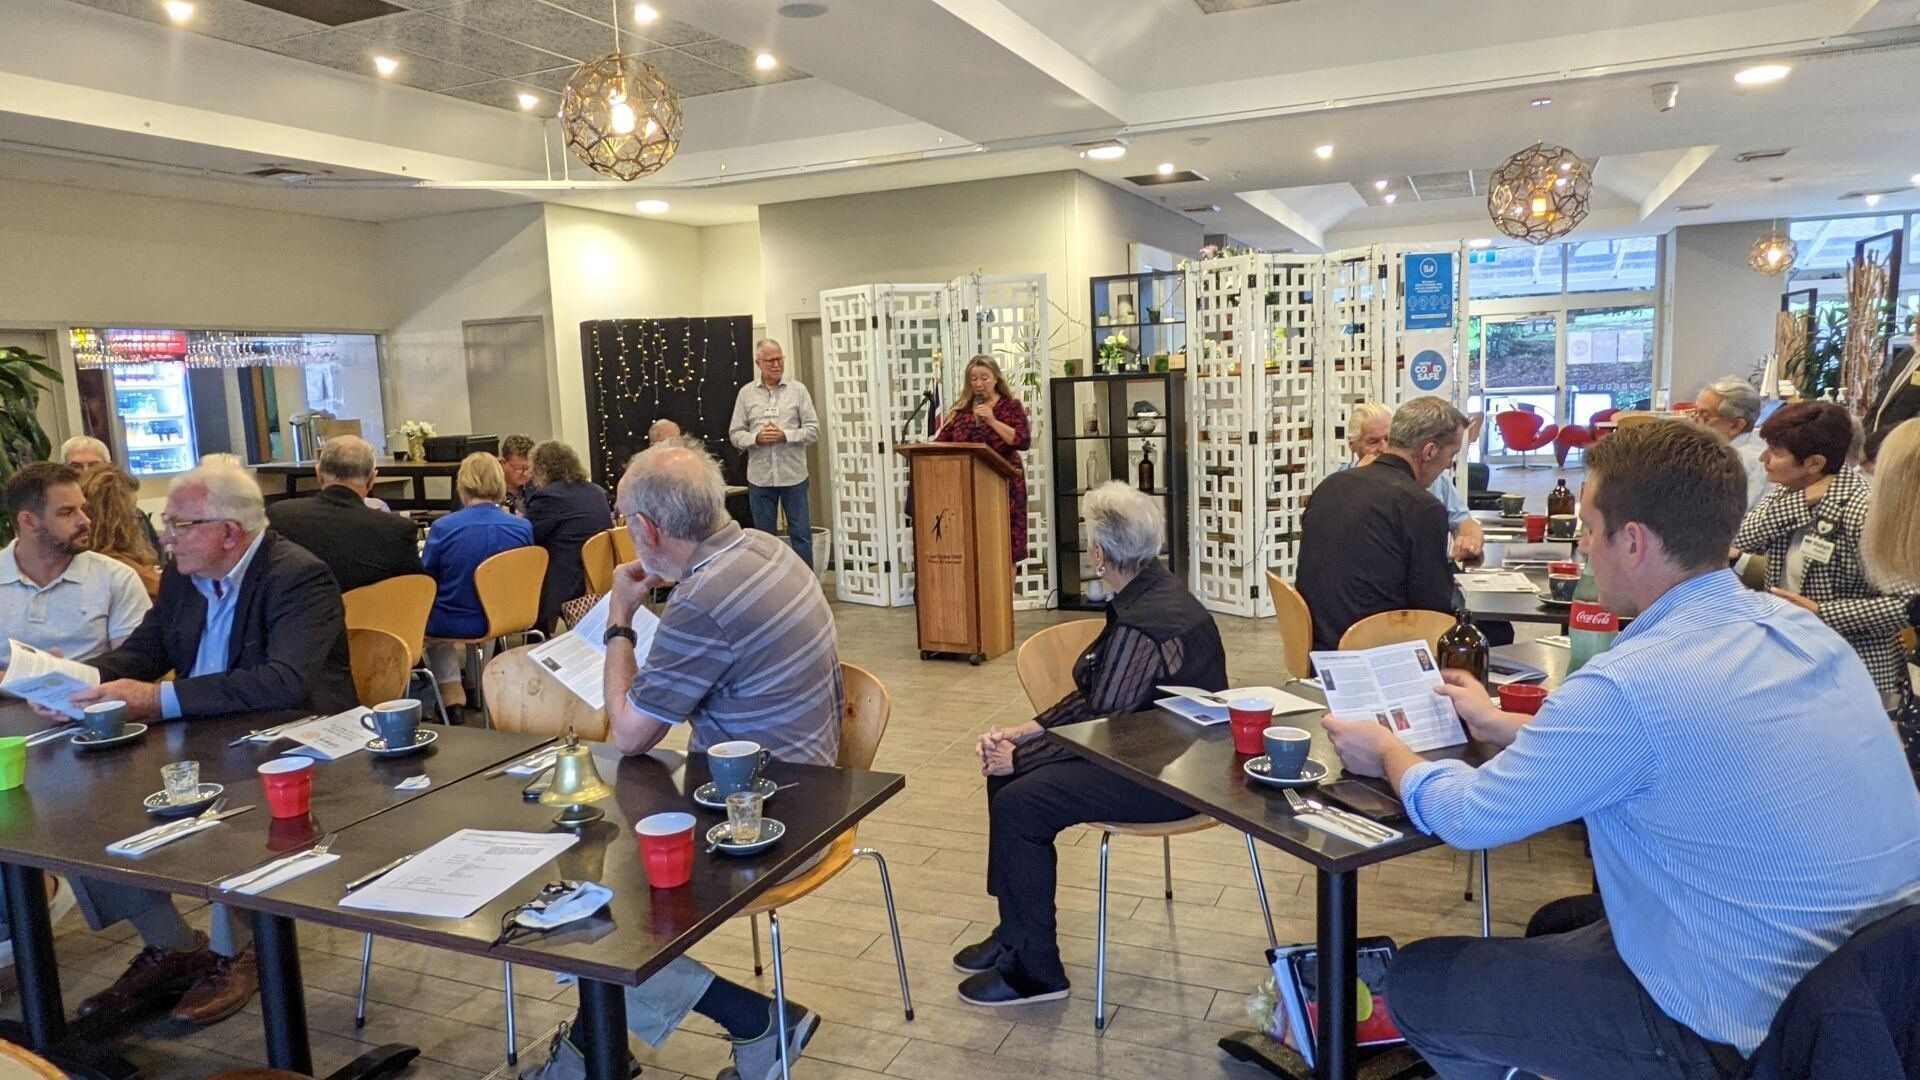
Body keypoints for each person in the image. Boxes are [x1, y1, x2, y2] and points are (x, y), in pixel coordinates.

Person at [1321, 420, 1920, 1080]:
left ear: (1631, 541)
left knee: (1421, 981)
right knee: (1557, 923)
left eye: (1587, 528)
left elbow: (1469, 817)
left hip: (1738, 1028)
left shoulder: (1630, 682)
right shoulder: (1801, 634)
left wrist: (1387, 751)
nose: (1582, 547)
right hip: (1872, 997)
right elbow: (1673, 748)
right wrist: (1500, 724)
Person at [522, 443, 840, 1080]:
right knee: (607, 871)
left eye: (621, 516)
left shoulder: (703, 599)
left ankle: (594, 1056)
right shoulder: (764, 548)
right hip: (813, 787)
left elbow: (632, 731)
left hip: (763, 814)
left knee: (593, 890)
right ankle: (729, 1029)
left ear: (646, 528)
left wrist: (618, 619)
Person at [51, 456, 356, 1026]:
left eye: (177, 525)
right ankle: (171, 943)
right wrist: (71, 682)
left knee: (240, 805)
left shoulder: (298, 575)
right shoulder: (184, 578)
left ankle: (235, 952)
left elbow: (283, 681)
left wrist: (156, 700)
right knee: (77, 805)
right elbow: (142, 656)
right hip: (201, 734)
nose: (164, 536)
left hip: (291, 740)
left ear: (228, 532)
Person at [957, 482, 1223, 1007]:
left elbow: (1103, 723)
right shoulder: (1151, 591)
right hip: (1158, 751)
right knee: (1008, 772)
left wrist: (1024, 755)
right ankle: (1016, 929)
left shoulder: (1145, 622)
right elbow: (1101, 697)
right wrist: (1027, 732)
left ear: (1099, 552)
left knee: (1018, 799)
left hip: (1174, 776)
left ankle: (1035, 973)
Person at [1734, 402, 1914, 698]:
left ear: (1814, 463)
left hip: (1854, 667)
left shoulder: (1862, 510)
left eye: (1776, 452)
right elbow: (1740, 539)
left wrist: (1823, 612)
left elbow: (1907, 604)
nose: (1764, 458)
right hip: (1795, 655)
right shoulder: (1787, 493)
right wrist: (1800, 503)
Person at [1296, 396, 1465, 652]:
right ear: (1429, 451)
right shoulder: (1421, 506)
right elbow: (1432, 609)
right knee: (1494, 630)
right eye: (1451, 454)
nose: (1449, 464)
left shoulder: (1330, 485)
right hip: (1378, 652)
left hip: (1318, 645)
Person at [2, 463, 150, 662]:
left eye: (83, 509)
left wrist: (59, 677)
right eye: (67, 512)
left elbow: (133, 664)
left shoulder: (116, 577)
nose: (85, 520)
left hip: (93, 690)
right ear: (29, 521)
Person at [421, 453, 533, 710]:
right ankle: (478, 681)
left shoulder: (443, 528)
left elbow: (426, 577)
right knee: (491, 601)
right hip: (507, 617)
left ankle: (452, 693)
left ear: (462, 484)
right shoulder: (522, 527)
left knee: (431, 613)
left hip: (453, 619)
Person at [265, 435, 423, 593]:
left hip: (299, 615)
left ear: (318, 473)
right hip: (372, 615)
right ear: (372, 479)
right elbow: (415, 590)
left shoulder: (278, 516)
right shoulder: (397, 529)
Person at [1344, 401, 1484, 563]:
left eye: (1388, 439)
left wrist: (1471, 540)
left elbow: (1463, 520)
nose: (1383, 448)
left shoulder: (1433, 477)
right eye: (1373, 442)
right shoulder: (1338, 484)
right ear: (1353, 446)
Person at [933, 355, 1033, 565]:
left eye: (984, 378)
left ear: (996, 378)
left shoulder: (1010, 407)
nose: (979, 384)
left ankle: (1003, 597)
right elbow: (942, 443)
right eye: (974, 379)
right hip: (968, 487)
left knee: (1004, 550)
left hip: (1004, 487)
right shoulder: (961, 410)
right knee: (974, 547)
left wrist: (992, 420)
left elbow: (1022, 440)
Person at [729, 338, 820, 568]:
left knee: (801, 536)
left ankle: (805, 590)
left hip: (794, 476)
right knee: (764, 540)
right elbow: (735, 434)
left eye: (780, 359)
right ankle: (770, 590)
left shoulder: (798, 391)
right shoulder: (746, 394)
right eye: (771, 361)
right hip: (760, 478)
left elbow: (813, 430)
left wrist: (786, 435)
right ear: (758, 363)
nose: (777, 365)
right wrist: (756, 439)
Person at [522, 440, 611, 632]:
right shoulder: (596, 491)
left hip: (566, 583)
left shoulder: (549, 497)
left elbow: (528, 537)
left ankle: (532, 644)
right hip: (598, 577)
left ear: (542, 469)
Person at [78, 466, 162, 596]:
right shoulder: (123, 570)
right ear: (116, 519)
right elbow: (166, 593)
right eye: (133, 513)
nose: (136, 522)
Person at [1689, 376, 1769, 509]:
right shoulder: (1721, 452)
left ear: (1736, 425)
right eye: (1694, 413)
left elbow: (1731, 520)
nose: (1694, 422)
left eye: (1704, 416)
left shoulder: (1742, 462)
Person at [500, 433, 535, 516]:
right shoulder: (490, 492)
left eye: (529, 469)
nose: (526, 474)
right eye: (520, 469)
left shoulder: (539, 490)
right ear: (503, 463)